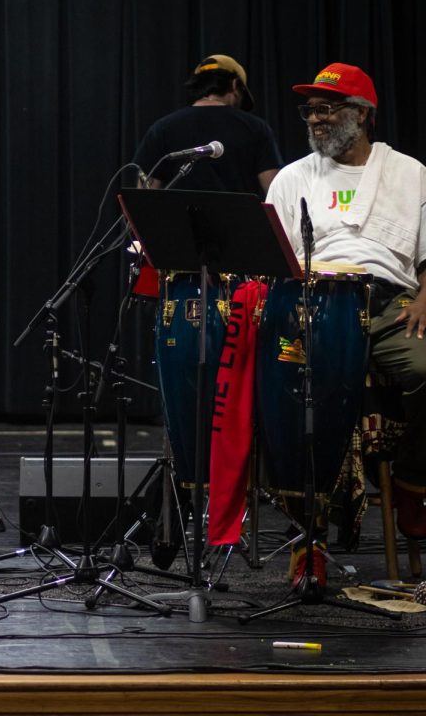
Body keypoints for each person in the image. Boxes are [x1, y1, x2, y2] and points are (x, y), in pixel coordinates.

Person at [265, 62, 426, 586]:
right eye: (309, 110)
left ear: (362, 115)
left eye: (326, 108)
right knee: (292, 393)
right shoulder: (294, 177)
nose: (314, 119)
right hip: (314, 303)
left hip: (389, 302)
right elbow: (271, 256)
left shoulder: (410, 172)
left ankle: (412, 484)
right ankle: (307, 535)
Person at [134, 54, 282, 195]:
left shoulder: (162, 128)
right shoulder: (256, 128)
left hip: (178, 221)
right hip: (238, 221)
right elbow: (274, 190)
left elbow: (145, 198)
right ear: (235, 84)